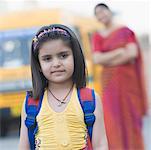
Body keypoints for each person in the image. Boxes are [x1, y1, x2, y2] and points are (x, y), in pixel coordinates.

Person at [19, 24, 108, 150]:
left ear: (75, 57)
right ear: (38, 65)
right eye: (47, 59)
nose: (56, 64)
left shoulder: (90, 99)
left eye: (63, 56)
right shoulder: (31, 103)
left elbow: (101, 145)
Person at [91, 3, 147, 150]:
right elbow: (96, 59)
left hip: (128, 83)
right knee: (111, 119)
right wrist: (119, 53)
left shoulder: (125, 31)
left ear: (110, 12)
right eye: (98, 14)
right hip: (109, 83)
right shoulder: (98, 36)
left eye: (103, 11)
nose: (101, 15)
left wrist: (107, 59)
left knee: (130, 116)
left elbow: (132, 53)